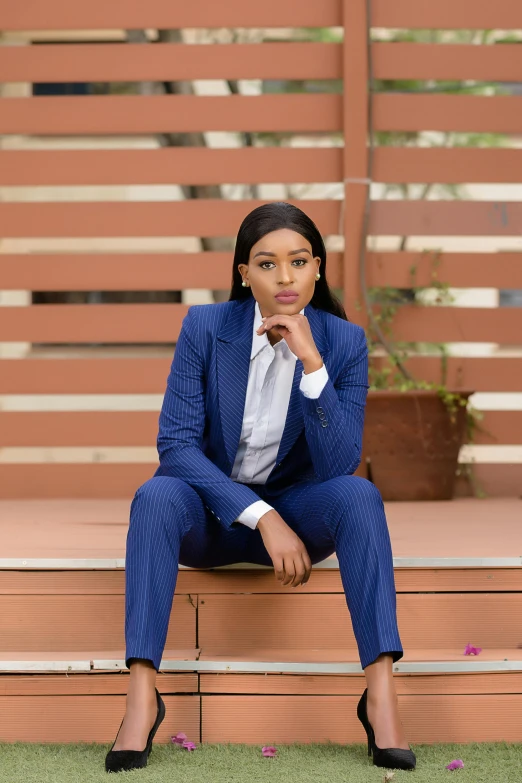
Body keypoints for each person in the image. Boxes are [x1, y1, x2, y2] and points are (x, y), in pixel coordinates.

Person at [105, 202, 416, 773]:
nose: (285, 277)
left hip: (299, 509)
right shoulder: (204, 327)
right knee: (153, 496)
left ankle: (381, 696)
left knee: (360, 496)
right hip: (210, 513)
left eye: (298, 262)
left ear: (318, 268)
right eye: (267, 264)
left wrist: (312, 365)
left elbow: (339, 463)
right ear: (244, 272)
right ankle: (141, 698)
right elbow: (175, 445)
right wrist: (261, 517)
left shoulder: (343, 343)